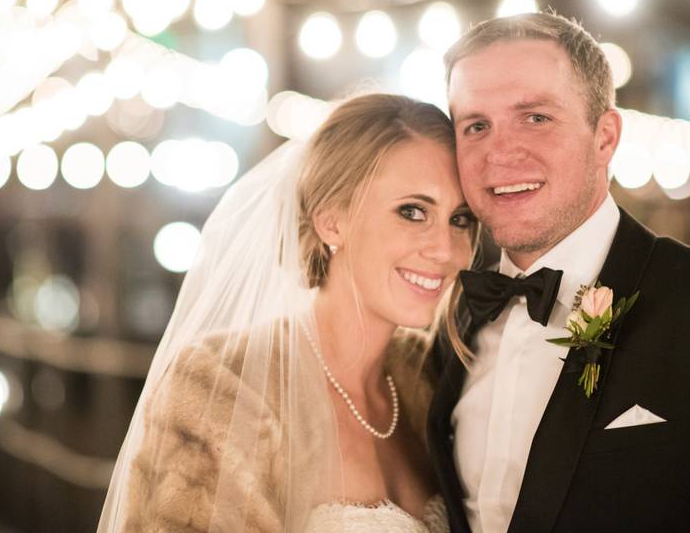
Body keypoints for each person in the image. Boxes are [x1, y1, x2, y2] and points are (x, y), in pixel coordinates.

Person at [427, 11, 690, 532]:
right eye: (476, 126)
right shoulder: (447, 320)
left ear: (605, 136)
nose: (500, 152)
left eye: (535, 117)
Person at [98, 93, 479, 532]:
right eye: (412, 212)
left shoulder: (429, 379)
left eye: (460, 219)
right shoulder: (223, 386)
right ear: (330, 220)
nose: (445, 249)